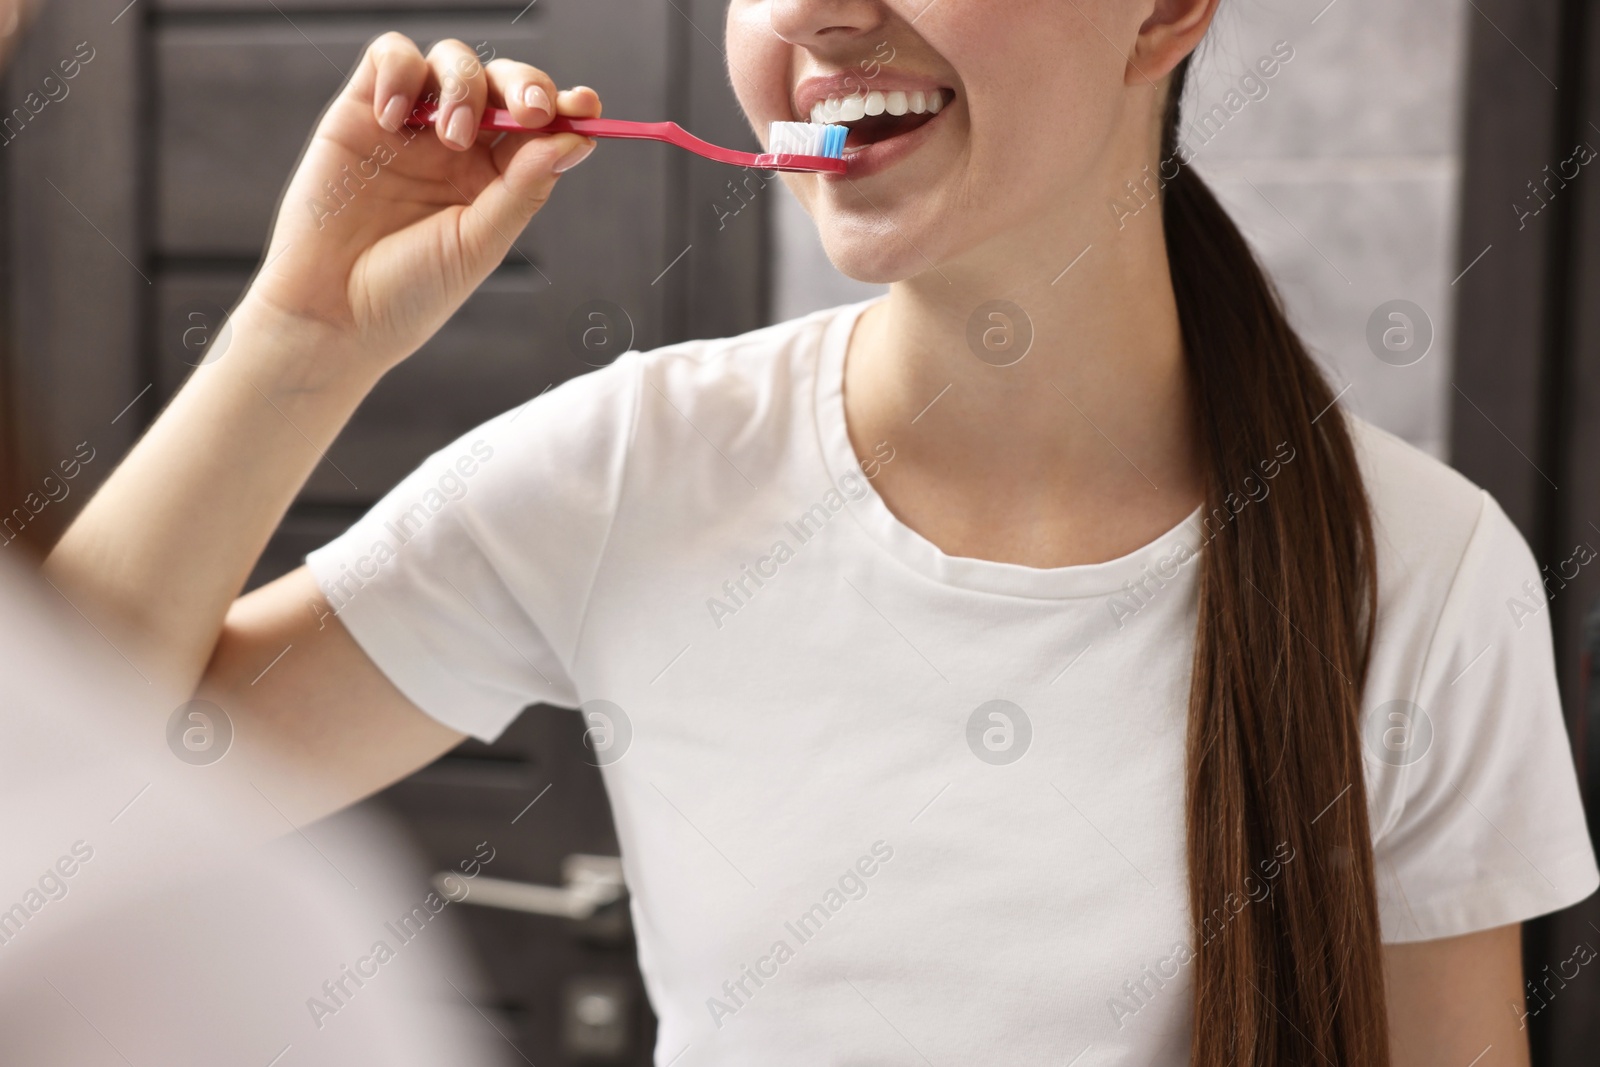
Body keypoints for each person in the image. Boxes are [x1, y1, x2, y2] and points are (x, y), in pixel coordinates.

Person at [39, 1, 1598, 1064]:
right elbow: (60, 787)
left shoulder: (1430, 576)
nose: (818, 13)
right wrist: (301, 337)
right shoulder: (635, 464)